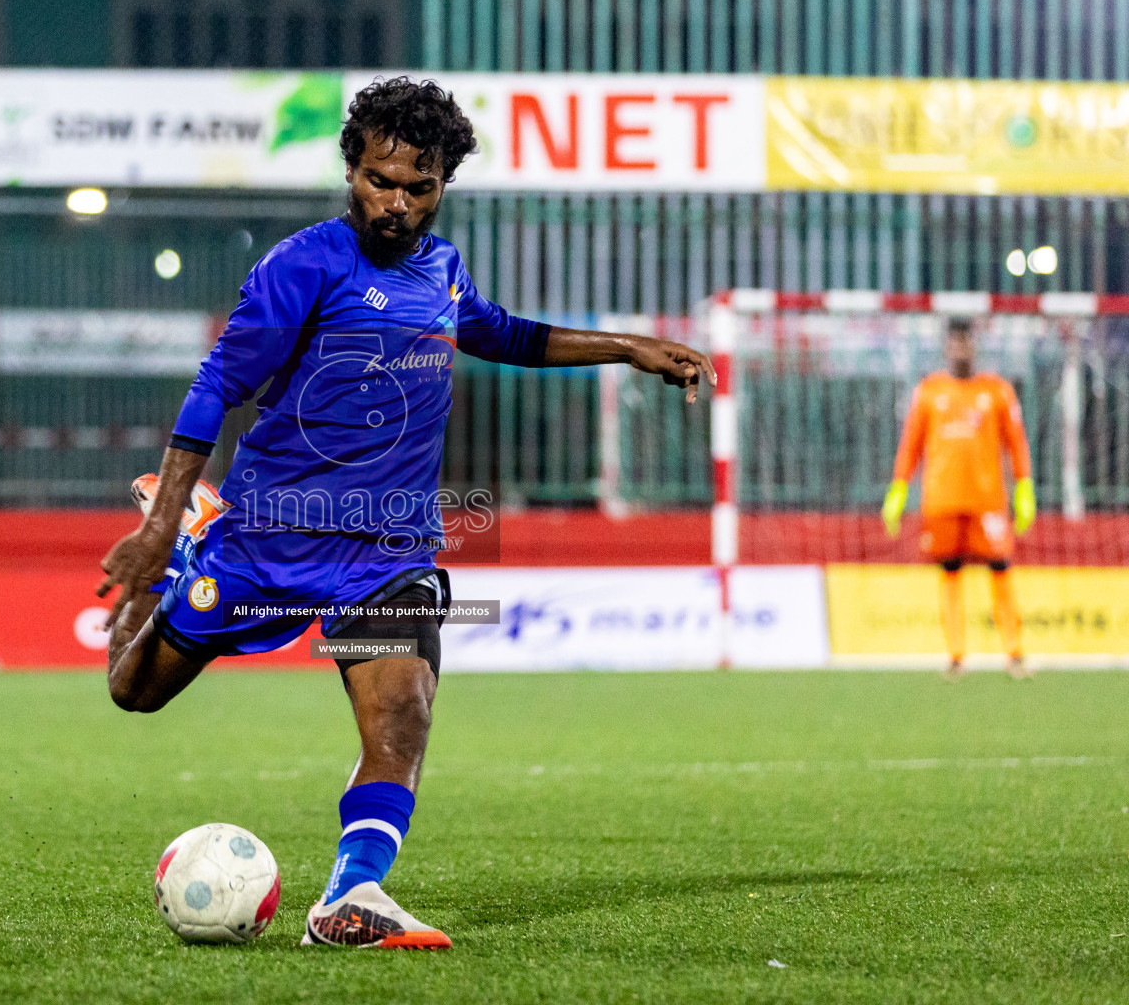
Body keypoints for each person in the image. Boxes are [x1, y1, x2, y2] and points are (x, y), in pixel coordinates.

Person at [97, 77, 714, 949]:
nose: (395, 202)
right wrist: (161, 528)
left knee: (403, 715)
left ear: (442, 186)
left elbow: (500, 333)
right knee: (134, 692)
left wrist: (627, 348)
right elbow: (218, 386)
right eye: (379, 180)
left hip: (386, 547)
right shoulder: (303, 264)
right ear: (352, 168)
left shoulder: (442, 270)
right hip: (268, 539)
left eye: (416, 188)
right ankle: (196, 547)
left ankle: (351, 898)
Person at [882, 317, 1036, 680]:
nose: (961, 349)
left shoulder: (997, 391)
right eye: (955, 343)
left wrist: (1024, 486)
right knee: (950, 572)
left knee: (1000, 568)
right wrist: (899, 487)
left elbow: (1017, 442)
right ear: (946, 347)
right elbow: (911, 443)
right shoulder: (929, 391)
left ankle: (1014, 654)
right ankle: (955, 656)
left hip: (988, 501)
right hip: (942, 500)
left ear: (975, 346)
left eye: (967, 342)